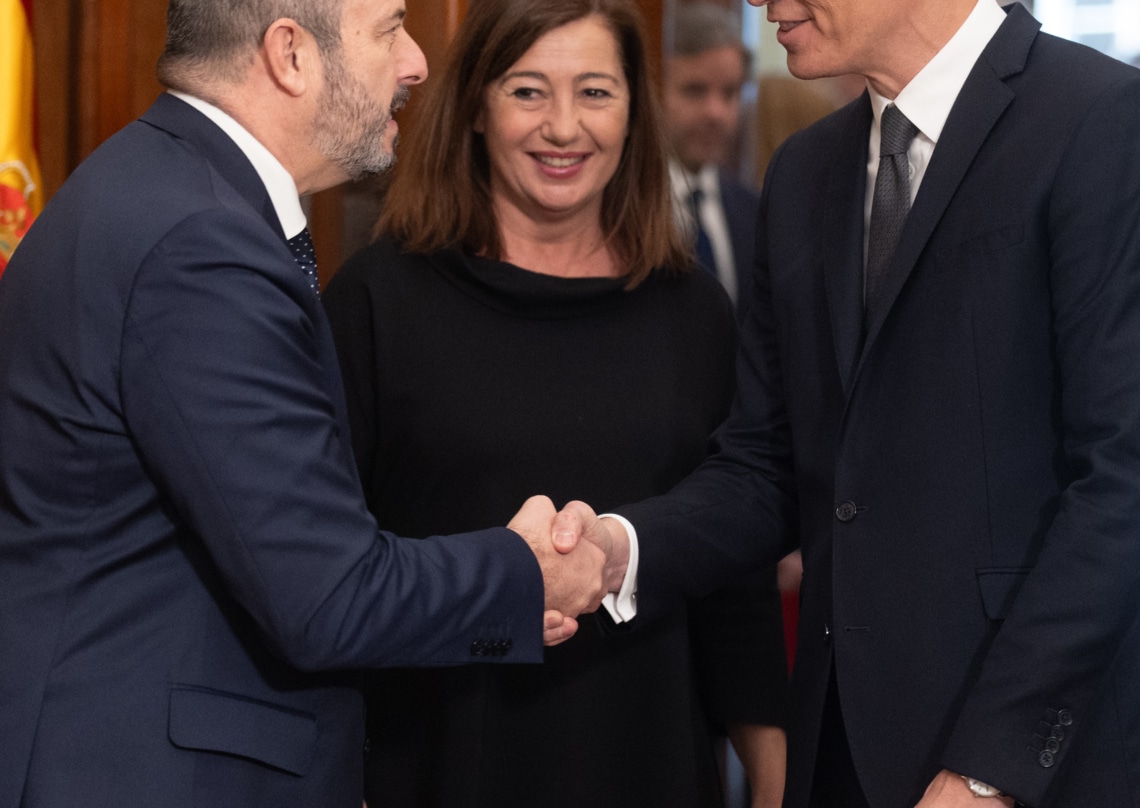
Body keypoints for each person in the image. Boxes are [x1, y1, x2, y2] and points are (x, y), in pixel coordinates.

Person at [0, 1, 611, 806]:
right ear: (290, 55)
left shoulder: (164, 190)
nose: (415, 62)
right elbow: (327, 596)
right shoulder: (201, 244)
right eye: (390, 28)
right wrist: (526, 574)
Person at [574, 0, 1140, 806]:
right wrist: (617, 550)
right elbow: (770, 464)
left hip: (1052, 763)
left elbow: (1132, 484)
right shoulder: (803, 172)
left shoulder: (1109, 122)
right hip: (844, 752)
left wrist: (990, 769)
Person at [320, 1, 790, 806]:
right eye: (528, 91)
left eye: (597, 93)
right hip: (434, 768)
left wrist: (777, 783)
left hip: (651, 764)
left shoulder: (695, 311)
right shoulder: (379, 299)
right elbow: (328, 577)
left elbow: (734, 591)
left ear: (636, 111)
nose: (564, 128)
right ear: (474, 106)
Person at [663, 2, 758, 312]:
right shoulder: (623, 204)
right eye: (695, 91)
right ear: (654, 88)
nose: (715, 112)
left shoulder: (752, 211)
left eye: (729, 93)